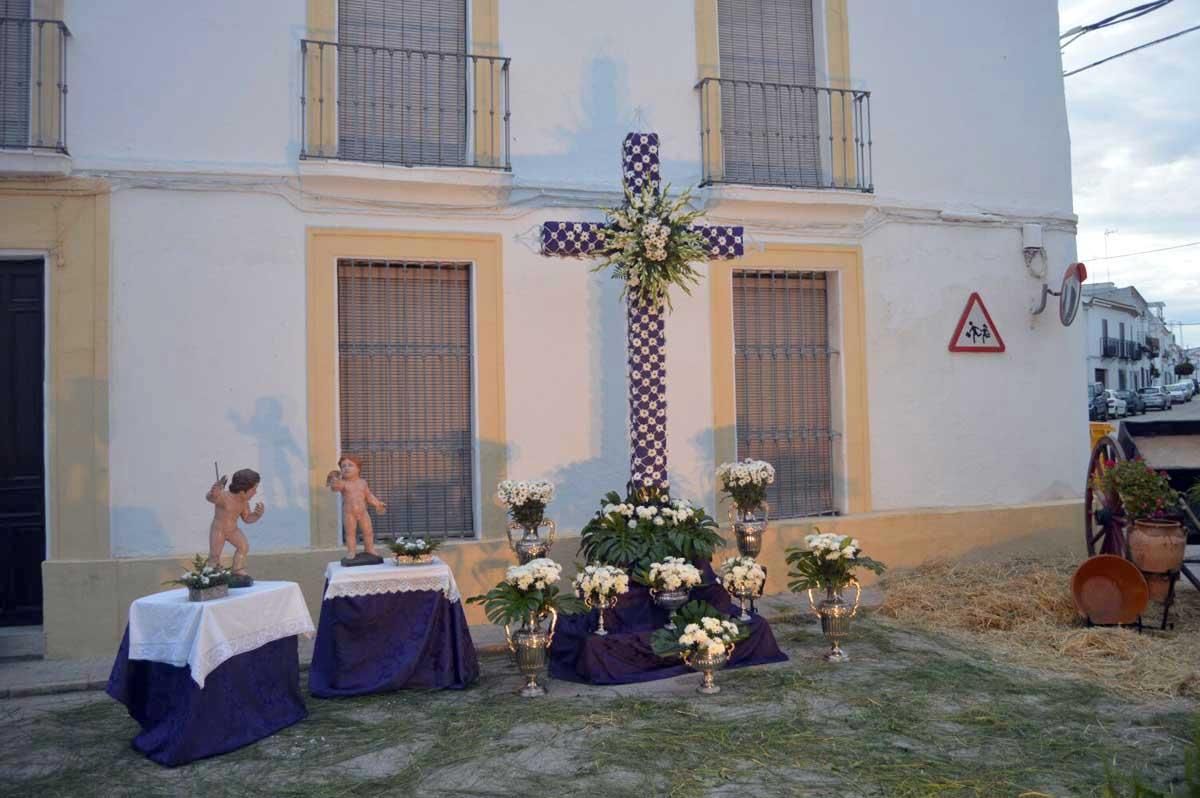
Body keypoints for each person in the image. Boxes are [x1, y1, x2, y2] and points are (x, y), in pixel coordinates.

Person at [206, 468, 264, 587]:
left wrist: (257, 515)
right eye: (254, 489)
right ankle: (211, 574)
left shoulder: (244, 503)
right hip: (219, 530)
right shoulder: (224, 497)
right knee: (214, 555)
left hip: (233, 530)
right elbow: (211, 498)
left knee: (243, 546)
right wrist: (214, 492)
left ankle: (237, 570)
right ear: (243, 491)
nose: (255, 492)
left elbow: (247, 518)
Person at [326, 454, 387, 565]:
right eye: (343, 466)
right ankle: (351, 552)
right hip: (349, 513)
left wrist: (377, 503)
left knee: (368, 532)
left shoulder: (362, 482)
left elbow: (369, 496)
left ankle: (369, 549)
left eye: (350, 465)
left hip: (363, 512)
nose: (346, 468)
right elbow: (335, 488)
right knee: (350, 533)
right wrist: (334, 481)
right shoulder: (343, 483)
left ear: (358, 468)